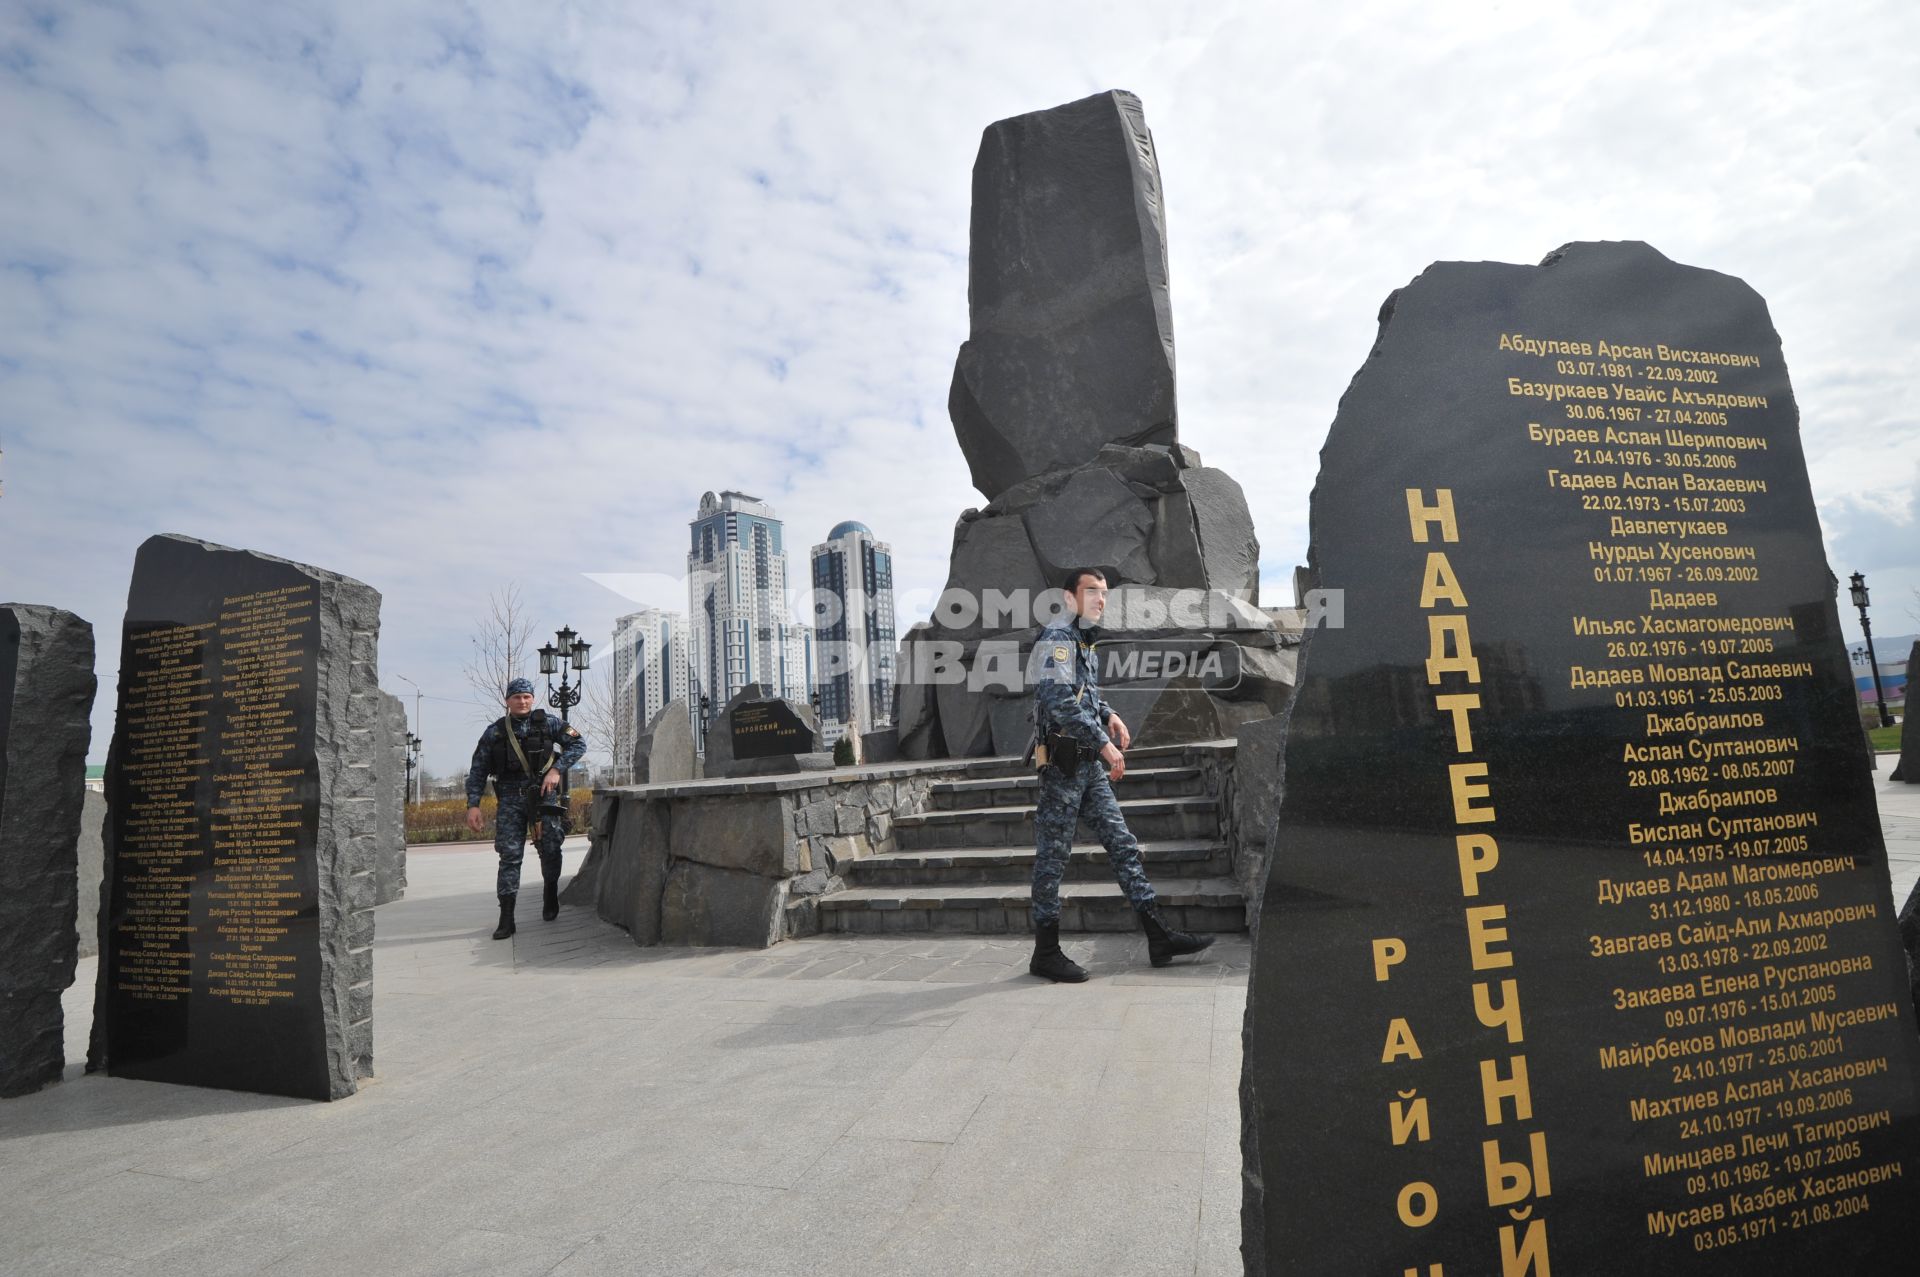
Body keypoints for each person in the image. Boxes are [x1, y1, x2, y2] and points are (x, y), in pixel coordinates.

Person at [1026, 567, 1214, 982]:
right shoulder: (1057, 637)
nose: (1099, 599)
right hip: (1063, 766)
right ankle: (1046, 952)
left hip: (1087, 764)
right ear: (1069, 597)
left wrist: (1109, 715)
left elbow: (1085, 694)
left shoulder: (1083, 641)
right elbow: (1056, 698)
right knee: (1053, 859)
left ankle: (1158, 934)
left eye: (1104, 593)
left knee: (1122, 844)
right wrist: (1103, 742)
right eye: (1091, 591)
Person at [465, 678, 587, 939]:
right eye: (517, 697)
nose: (522, 701)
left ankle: (550, 894)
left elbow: (578, 743)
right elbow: (477, 770)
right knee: (509, 856)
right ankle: (507, 918)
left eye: (527, 697)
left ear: (533, 699)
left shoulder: (548, 723)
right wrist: (472, 805)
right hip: (509, 799)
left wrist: (556, 770)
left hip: (543, 797)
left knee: (551, 848)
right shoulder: (495, 732)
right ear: (508, 701)